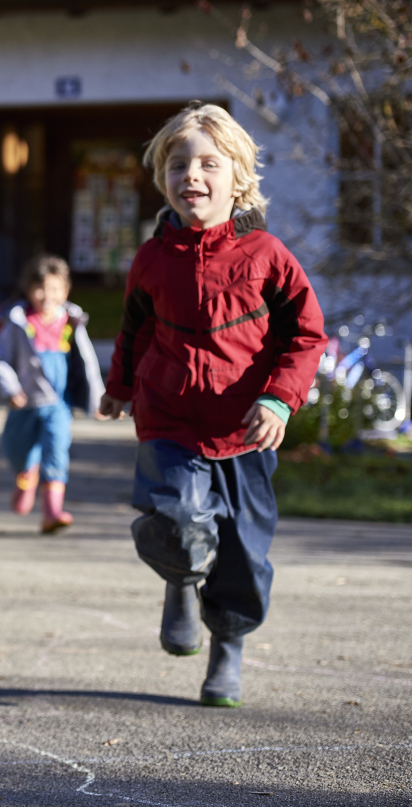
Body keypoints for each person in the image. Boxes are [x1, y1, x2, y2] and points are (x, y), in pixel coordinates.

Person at [99, 103, 325, 708]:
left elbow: (307, 336)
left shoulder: (266, 256)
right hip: (169, 419)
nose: (190, 175)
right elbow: (135, 330)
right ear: (162, 180)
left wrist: (279, 401)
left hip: (245, 430)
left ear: (238, 178)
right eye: (178, 164)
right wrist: (120, 385)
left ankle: (226, 650)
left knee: (244, 557)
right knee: (175, 517)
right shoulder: (151, 260)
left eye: (207, 163)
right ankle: (180, 580)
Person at [0, 253, 104, 534]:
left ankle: (52, 512)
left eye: (55, 289)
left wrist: (98, 399)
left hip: (58, 405)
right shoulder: (18, 323)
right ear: (28, 289)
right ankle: (25, 477)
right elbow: (0, 360)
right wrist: (11, 389)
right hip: (25, 403)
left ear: (65, 291)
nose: (47, 295)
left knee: (56, 452)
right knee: (16, 449)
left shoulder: (71, 322)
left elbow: (88, 363)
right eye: (40, 288)